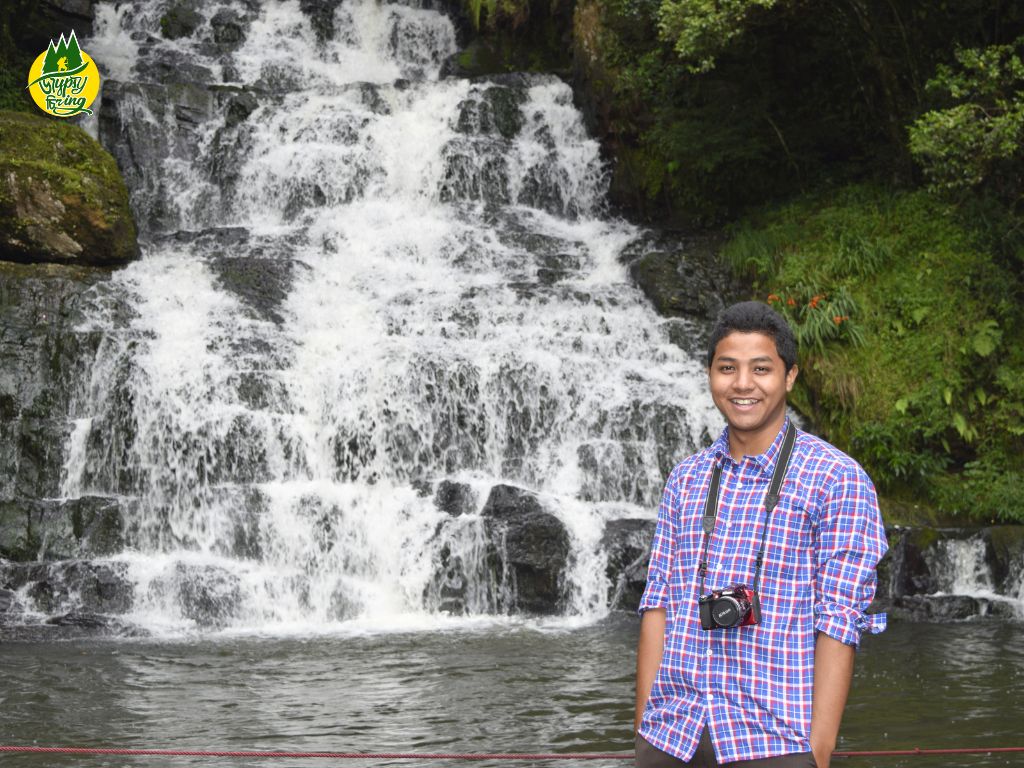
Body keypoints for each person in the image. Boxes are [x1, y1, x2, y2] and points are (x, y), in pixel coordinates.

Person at [634, 301, 887, 768]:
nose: (743, 384)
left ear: (789, 376)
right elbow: (658, 604)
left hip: (773, 743)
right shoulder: (686, 479)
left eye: (761, 369)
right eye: (727, 368)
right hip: (672, 738)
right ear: (710, 373)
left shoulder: (836, 478)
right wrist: (644, 730)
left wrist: (818, 750)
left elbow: (838, 619)